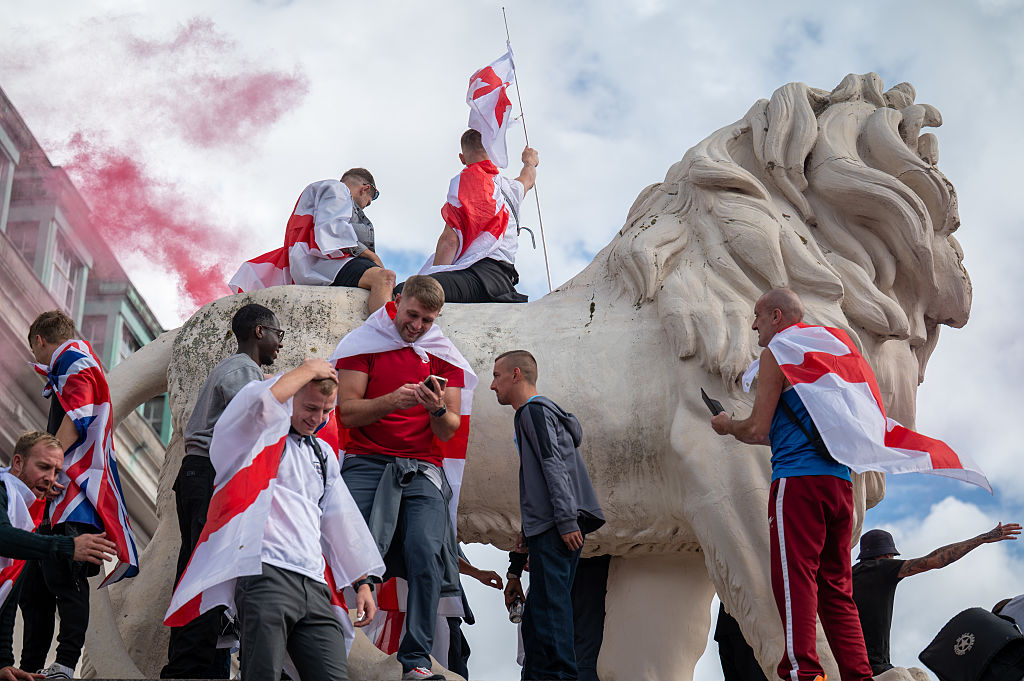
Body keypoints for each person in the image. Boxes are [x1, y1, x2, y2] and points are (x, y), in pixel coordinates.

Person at [164, 359, 383, 681]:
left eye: (326, 411)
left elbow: (340, 519)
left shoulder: (322, 454)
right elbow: (258, 404)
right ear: (292, 397)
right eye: (310, 408)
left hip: (314, 584)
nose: (317, 419)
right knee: (261, 673)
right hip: (266, 574)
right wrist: (308, 370)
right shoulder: (257, 437)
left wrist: (363, 582)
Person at [710, 288, 873, 681]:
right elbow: (787, 430)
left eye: (758, 316)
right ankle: (860, 676)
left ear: (777, 316)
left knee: (793, 579)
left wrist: (727, 425)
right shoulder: (829, 350)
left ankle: (804, 673)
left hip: (798, 483)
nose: (754, 326)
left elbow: (756, 428)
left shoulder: (779, 352)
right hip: (840, 485)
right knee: (837, 589)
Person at [332, 275, 475, 681]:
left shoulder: (442, 354)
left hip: (423, 466)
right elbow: (346, 412)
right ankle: (328, 639)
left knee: (427, 552)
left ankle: (416, 659)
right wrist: (392, 401)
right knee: (341, 543)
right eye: (412, 315)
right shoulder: (366, 344)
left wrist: (435, 409)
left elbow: (448, 429)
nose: (417, 326)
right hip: (366, 460)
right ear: (397, 301)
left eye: (427, 320)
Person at [160, 303, 284, 679]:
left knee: (201, 571)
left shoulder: (238, 369)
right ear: (259, 331)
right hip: (207, 476)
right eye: (278, 334)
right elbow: (257, 416)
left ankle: (202, 665)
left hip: (199, 475)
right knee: (207, 573)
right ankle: (187, 670)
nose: (280, 343)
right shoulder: (243, 370)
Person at [21, 311, 138, 679]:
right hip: (62, 495)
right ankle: (30, 669)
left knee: (65, 580)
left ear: (39, 340)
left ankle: (65, 664)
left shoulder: (74, 359)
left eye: (35, 350)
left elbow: (79, 414)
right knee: (36, 588)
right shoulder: (74, 361)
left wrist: (51, 466)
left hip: (74, 494)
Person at [492, 349, 605, 681]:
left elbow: (552, 465)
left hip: (558, 525)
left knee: (551, 612)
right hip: (550, 525)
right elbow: (539, 482)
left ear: (516, 374)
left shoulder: (534, 411)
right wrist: (523, 545)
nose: (492, 385)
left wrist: (566, 521)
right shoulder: (533, 415)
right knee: (538, 616)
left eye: (497, 376)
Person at [0, 432, 117, 681]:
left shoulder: (26, 516)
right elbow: (2, 538)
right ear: (18, 462)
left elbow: (7, 597)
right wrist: (68, 546)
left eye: (56, 472)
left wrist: (3, 662)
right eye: (43, 467)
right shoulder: (2, 491)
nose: (50, 478)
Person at [853, 523, 1021, 675]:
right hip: (873, 665)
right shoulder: (880, 568)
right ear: (886, 554)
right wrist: (982, 538)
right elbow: (935, 560)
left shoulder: (852, 574)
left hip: (850, 656)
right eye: (891, 556)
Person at [229, 168, 396, 313]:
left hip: (327, 265)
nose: (366, 205)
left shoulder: (325, 193)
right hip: (328, 265)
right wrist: (371, 256)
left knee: (396, 289)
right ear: (365, 189)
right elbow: (332, 228)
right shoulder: (338, 189)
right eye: (369, 201)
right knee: (384, 277)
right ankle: (385, 333)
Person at [404, 129, 538, 304]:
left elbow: (449, 241)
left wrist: (432, 280)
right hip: (503, 280)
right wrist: (529, 161)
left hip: (476, 277)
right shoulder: (511, 188)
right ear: (493, 153)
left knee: (406, 292)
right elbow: (528, 178)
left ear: (462, 158)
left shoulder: (465, 182)